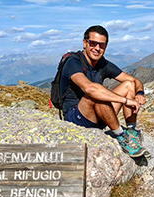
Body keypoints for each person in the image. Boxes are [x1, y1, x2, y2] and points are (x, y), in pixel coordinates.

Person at [60, 25, 147, 157]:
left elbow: (135, 81)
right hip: (75, 118)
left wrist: (139, 93)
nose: (97, 48)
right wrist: (126, 101)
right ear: (85, 43)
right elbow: (89, 88)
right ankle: (121, 136)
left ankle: (131, 131)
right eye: (93, 43)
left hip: (98, 114)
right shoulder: (73, 62)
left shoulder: (103, 64)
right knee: (96, 93)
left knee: (129, 85)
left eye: (102, 45)